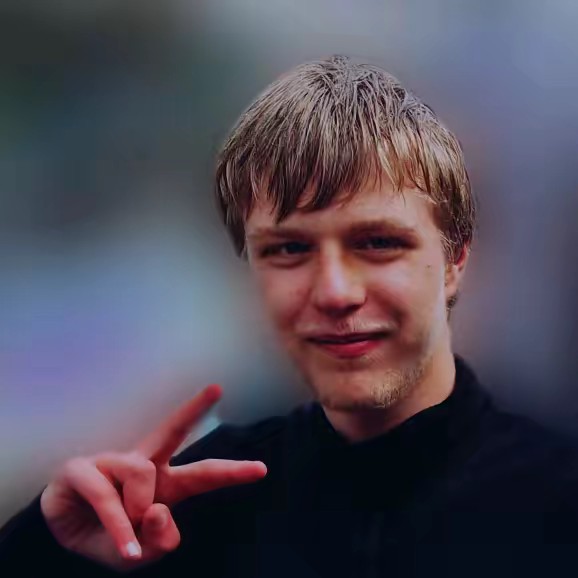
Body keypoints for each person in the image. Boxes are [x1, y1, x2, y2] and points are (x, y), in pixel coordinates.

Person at [1, 55, 578, 578]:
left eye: (377, 243)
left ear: (456, 260)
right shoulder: (189, 502)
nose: (334, 291)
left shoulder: (553, 492)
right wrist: (50, 547)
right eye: (290, 249)